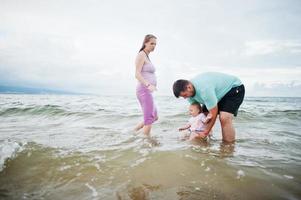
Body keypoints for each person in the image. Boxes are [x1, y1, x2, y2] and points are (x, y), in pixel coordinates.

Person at [173, 72, 245, 143]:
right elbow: (199, 114)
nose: (185, 98)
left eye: (185, 95)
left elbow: (213, 113)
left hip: (233, 88)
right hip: (217, 93)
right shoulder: (189, 95)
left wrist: (205, 132)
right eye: (183, 97)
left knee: (224, 117)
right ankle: (208, 141)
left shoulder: (204, 89)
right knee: (205, 115)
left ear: (189, 87)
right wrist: (190, 126)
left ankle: (228, 147)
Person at [134, 34, 158, 136]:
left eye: (155, 44)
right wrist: (148, 85)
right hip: (144, 90)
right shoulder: (141, 55)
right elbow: (137, 74)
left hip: (147, 91)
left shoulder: (146, 56)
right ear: (145, 43)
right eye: (151, 43)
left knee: (154, 117)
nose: (154, 46)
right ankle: (146, 145)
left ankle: (133, 132)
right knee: (149, 119)